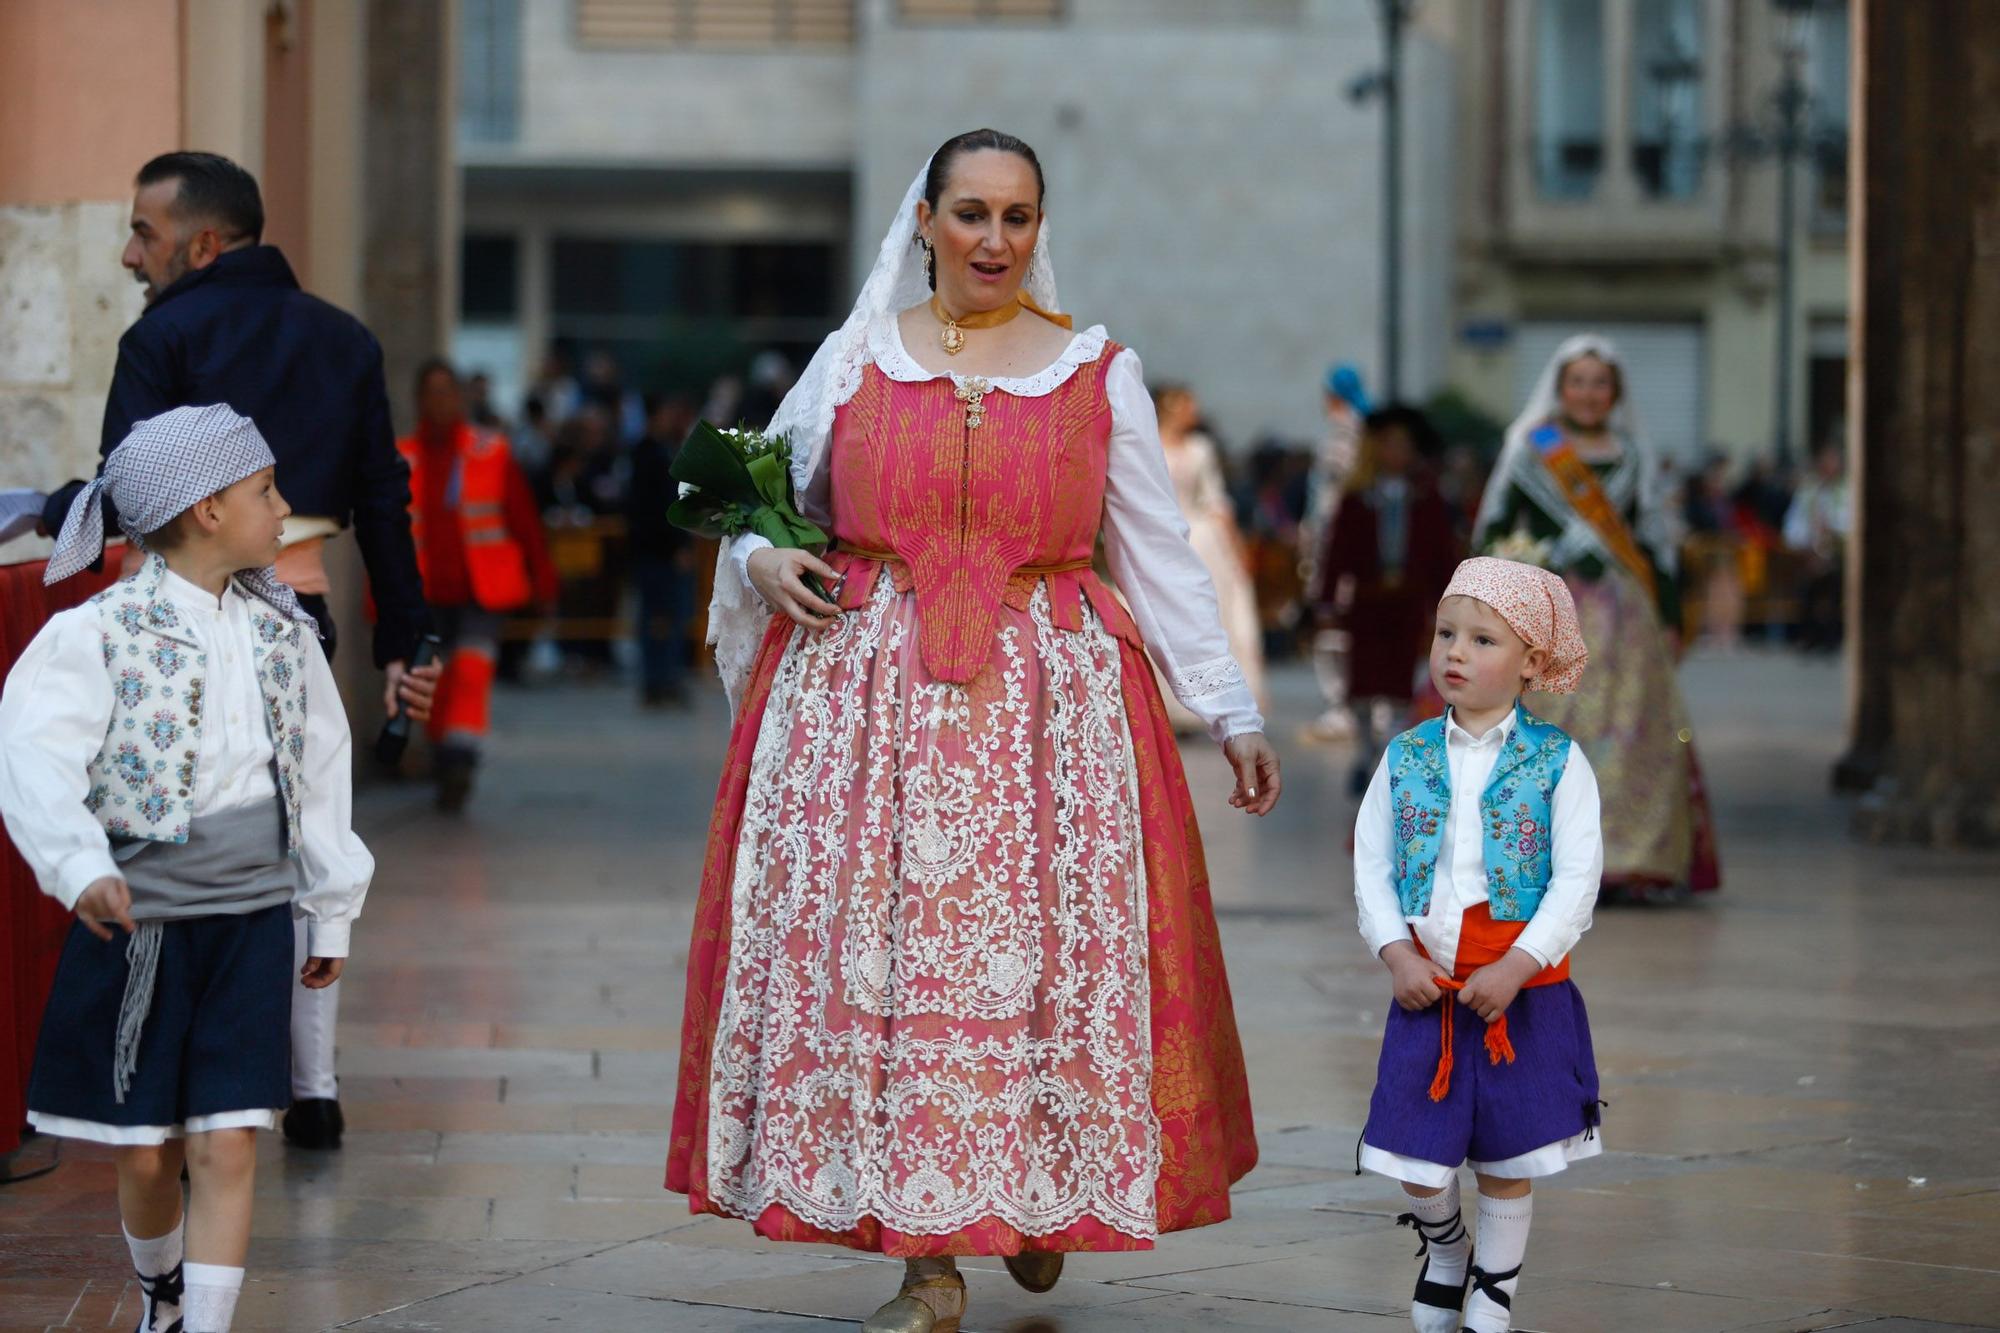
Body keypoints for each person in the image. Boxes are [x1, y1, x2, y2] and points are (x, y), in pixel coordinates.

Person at [668, 130, 1280, 1333]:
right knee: (897, 976)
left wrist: (1232, 708)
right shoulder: (851, 361)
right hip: (866, 712)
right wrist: (765, 550)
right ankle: (931, 1261)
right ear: (923, 222)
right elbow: (745, 504)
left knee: (1037, 975)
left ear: (1039, 228)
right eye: (970, 214)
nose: (993, 240)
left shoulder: (1097, 371)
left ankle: (1035, 1199)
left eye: (1016, 216)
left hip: (1048, 720)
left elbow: (1156, 554)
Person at [32, 150, 433, 1153]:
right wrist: (406, 640)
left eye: (145, 233)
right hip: (302, 609)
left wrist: (42, 513)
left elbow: (125, 490)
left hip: (179, 621)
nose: (133, 253)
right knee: (302, 822)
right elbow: (385, 496)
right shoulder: (343, 338)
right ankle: (316, 1081)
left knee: (191, 836)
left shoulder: (163, 332)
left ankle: (188, 1068)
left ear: (202, 243)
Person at [0, 406, 372, 1333]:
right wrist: (79, 865)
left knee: (231, 1139)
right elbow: (33, 758)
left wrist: (327, 911)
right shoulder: (100, 634)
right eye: (265, 490)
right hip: (142, 929)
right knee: (145, 1152)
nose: (285, 507)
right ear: (206, 509)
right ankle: (161, 1287)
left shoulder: (283, 635)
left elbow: (320, 773)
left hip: (250, 923)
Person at [1353, 557, 1603, 1333]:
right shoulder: (1406, 757)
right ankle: (1446, 1245)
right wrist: (1397, 952)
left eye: (1482, 638)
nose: (1455, 652)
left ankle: (1493, 1292)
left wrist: (1521, 963)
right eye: (1446, 633)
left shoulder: (1559, 763)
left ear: (1531, 662)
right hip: (1428, 990)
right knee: (1415, 1158)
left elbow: (1576, 877)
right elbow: (1372, 865)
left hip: (1521, 999)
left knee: (1507, 1159)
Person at [1472, 335, 1720, 900]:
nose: (1588, 393)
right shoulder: (1532, 447)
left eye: (1599, 383)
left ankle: (1627, 859)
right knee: (1540, 731)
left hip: (1621, 618)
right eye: (1577, 382)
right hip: (1547, 612)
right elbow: (1492, 528)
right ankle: (1530, 856)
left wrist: (1671, 613)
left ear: (1615, 393)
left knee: (1629, 731)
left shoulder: (1633, 455)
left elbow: (1653, 541)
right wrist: (1533, 555)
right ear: (1560, 389)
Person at [397, 359, 558, 811]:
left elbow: (523, 521)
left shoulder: (491, 451)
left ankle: (459, 760)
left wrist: (542, 580)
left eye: (449, 391)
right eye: (432, 392)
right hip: (424, 595)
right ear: (418, 401)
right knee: (435, 682)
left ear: (463, 398)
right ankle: (441, 754)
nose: (441, 401)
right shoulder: (402, 458)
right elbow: (388, 540)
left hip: (481, 592)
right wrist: (381, 602)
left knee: (471, 673)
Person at [1316, 406, 1461, 791]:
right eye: (1388, 445)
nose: (1396, 453)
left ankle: (1390, 754)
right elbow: (1337, 551)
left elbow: (1440, 553)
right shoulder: (1357, 498)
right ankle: (1365, 751)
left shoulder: (1426, 498)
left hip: (1408, 601)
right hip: (1367, 601)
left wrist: (1448, 600)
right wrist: (1328, 598)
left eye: (1403, 446)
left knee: (1401, 681)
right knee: (1363, 680)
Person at [1151, 383, 1266, 732]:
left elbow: (1216, 499)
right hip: (1159, 535)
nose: (1193, 412)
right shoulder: (1146, 441)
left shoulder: (1201, 449)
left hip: (1200, 538)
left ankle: (1213, 697)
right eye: (1186, 405)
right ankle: (1165, 701)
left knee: (1210, 613)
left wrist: (1236, 546)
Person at [1302, 363, 1370, 743]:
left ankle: (1343, 701)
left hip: (1337, 540)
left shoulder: (1345, 435)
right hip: (1346, 538)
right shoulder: (1363, 433)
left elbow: (1331, 493)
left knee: (1334, 622)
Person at [626, 393, 698, 707]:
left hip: (657, 551)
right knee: (661, 617)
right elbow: (658, 509)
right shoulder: (648, 455)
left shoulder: (659, 452)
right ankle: (659, 678)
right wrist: (676, 547)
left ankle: (665, 677)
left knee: (666, 617)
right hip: (658, 553)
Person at [1783, 441, 1848, 652]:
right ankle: (1809, 635)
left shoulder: (1846, 490)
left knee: (1836, 589)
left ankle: (1832, 636)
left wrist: (1834, 532)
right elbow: (1794, 523)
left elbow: (1849, 520)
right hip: (1811, 552)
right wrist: (1805, 544)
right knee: (1808, 589)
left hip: (1838, 553)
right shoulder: (1809, 491)